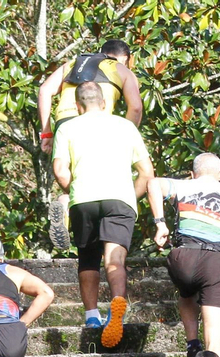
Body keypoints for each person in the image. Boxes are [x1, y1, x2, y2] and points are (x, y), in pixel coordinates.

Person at [52, 80, 153, 348]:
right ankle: (117, 304)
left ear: (77, 105)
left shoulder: (67, 127)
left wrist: (72, 190)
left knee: (88, 259)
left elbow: (61, 170)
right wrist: (132, 195)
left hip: (83, 198)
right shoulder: (125, 126)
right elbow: (147, 172)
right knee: (114, 259)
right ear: (105, 103)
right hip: (119, 198)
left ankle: (92, 317)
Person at [37, 39, 143, 253]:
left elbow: (44, 91)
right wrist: (126, 133)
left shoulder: (73, 63)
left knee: (74, 174)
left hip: (64, 121)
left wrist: (46, 132)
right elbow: (136, 107)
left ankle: (66, 201)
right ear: (125, 58)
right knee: (98, 175)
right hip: (97, 121)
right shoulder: (120, 68)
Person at [148, 154, 220, 357]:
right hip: (217, 262)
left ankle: (192, 343)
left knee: (187, 292)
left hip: (183, 257)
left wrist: (160, 223)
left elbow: (153, 184)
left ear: (193, 175)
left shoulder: (184, 186)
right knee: (215, 341)